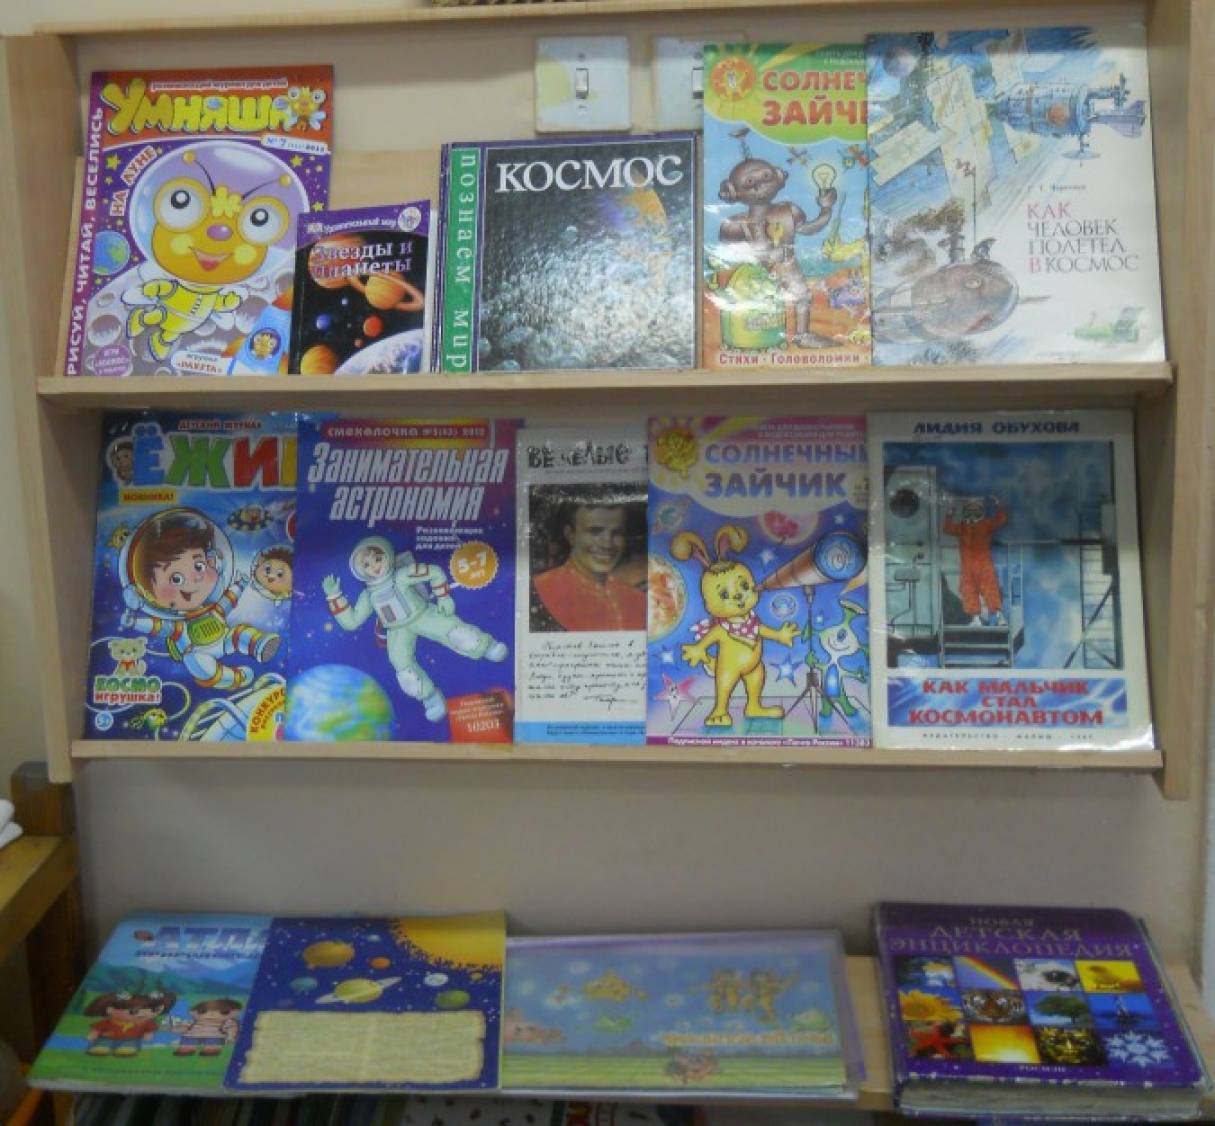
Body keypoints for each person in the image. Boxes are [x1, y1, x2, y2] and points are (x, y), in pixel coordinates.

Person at [532, 495, 645, 632]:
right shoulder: (537, 591)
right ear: (570, 535)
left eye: (617, 533)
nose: (607, 544)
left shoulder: (637, 598)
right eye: (595, 532)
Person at [943, 495, 1008, 627]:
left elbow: (1001, 519)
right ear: (966, 512)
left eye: (976, 510)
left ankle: (999, 617)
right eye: (970, 510)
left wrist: (998, 504)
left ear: (980, 512)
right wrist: (950, 512)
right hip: (968, 566)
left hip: (984, 565)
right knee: (969, 591)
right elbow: (947, 528)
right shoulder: (962, 527)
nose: (973, 513)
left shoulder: (986, 525)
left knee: (990, 590)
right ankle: (976, 619)